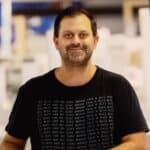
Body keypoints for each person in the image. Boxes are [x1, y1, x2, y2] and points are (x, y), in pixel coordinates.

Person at [0, 6, 149, 150]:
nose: (76, 41)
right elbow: (12, 143)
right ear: (56, 42)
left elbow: (138, 143)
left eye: (83, 35)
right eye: (68, 35)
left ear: (95, 40)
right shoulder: (32, 91)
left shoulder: (118, 87)